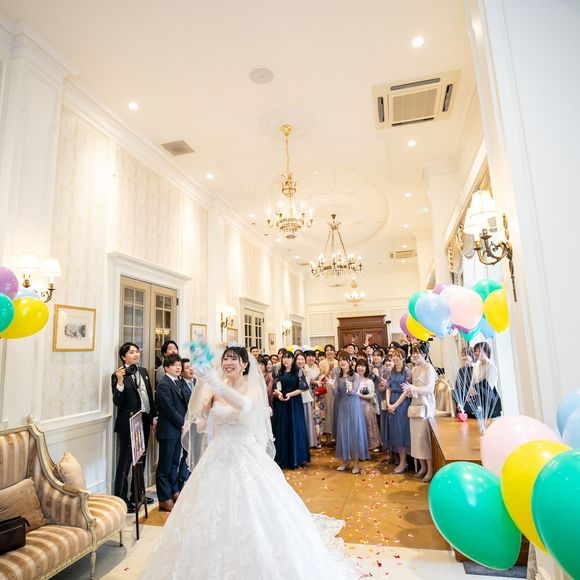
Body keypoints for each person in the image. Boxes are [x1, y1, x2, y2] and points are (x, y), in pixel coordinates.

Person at [141, 346, 361, 580]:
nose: (228, 362)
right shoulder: (215, 386)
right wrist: (202, 383)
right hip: (218, 454)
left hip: (245, 453)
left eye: (234, 359)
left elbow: (244, 406)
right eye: (225, 358)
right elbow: (197, 412)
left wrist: (215, 383)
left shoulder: (253, 387)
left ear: (245, 364)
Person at [111, 342, 157, 513]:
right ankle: (120, 500)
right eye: (131, 352)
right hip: (129, 423)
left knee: (140, 459)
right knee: (125, 461)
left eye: (137, 351)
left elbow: (149, 396)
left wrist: (153, 416)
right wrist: (120, 381)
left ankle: (137, 494)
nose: (136, 354)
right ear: (124, 357)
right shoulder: (117, 375)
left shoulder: (143, 371)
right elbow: (118, 401)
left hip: (144, 420)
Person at [155, 354, 191, 511]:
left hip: (177, 429)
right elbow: (168, 409)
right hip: (168, 430)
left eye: (179, 365)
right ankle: (164, 498)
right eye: (174, 365)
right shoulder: (164, 385)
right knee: (165, 465)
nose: (178, 367)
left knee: (174, 463)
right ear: (166, 368)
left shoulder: (179, 382)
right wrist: (182, 423)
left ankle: (174, 491)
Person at [402, 343, 436, 483]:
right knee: (416, 438)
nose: (415, 355)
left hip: (426, 406)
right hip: (415, 406)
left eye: (418, 352)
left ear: (425, 354)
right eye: (414, 352)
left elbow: (429, 389)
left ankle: (430, 469)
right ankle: (422, 467)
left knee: (424, 439)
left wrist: (413, 388)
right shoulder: (414, 370)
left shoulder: (429, 368)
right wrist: (409, 390)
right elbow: (413, 388)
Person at [271, 351, 310, 469]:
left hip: (294, 402)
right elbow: (275, 387)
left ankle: (296, 458)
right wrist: (278, 394)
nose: (286, 360)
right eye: (284, 358)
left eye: (288, 358)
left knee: (295, 427)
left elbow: (302, 388)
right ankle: (282, 459)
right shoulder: (279, 372)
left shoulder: (298, 371)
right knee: (282, 428)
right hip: (281, 402)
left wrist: (290, 394)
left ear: (292, 360)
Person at [332, 352, 369, 474]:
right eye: (340, 360)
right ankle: (345, 461)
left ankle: (356, 463)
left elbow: (354, 392)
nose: (342, 362)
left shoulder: (355, 375)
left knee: (355, 432)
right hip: (342, 405)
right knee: (344, 432)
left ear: (349, 362)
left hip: (353, 406)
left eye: (345, 360)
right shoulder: (338, 376)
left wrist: (350, 386)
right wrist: (333, 385)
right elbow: (336, 393)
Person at [384, 348, 412, 473]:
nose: (394, 358)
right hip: (392, 402)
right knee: (395, 432)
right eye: (393, 355)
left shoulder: (407, 371)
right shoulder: (392, 371)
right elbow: (388, 388)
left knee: (402, 433)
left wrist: (395, 405)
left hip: (402, 403)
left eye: (398, 355)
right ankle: (401, 460)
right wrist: (388, 403)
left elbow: (406, 391)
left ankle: (403, 462)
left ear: (403, 358)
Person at [469, 342, 502, 418]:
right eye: (475, 351)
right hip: (478, 401)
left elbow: (488, 386)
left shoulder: (491, 366)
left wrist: (474, 389)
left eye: (480, 351)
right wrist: (469, 394)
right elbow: (472, 382)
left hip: (489, 402)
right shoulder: (476, 365)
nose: (477, 353)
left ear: (486, 351)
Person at [355, 359, 381, 451]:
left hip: (366, 407)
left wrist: (359, 395)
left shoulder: (369, 381)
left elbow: (371, 396)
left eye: (363, 366)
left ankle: (370, 444)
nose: (360, 368)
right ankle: (358, 445)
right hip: (354, 407)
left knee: (369, 426)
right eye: (359, 366)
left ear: (366, 368)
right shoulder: (353, 380)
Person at [295, 351, 318, 448]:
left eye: (302, 359)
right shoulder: (292, 371)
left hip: (304, 398)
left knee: (305, 420)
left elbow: (305, 386)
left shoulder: (306, 372)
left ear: (304, 361)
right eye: (298, 359)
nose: (300, 361)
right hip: (294, 398)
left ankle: (306, 441)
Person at [319, 344, 339, 444]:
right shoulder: (321, 363)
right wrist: (328, 371)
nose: (329, 352)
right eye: (327, 350)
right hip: (326, 390)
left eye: (331, 350)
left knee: (336, 411)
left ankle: (337, 437)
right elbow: (320, 379)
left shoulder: (338, 362)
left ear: (334, 352)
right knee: (327, 413)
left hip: (337, 390)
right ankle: (328, 437)